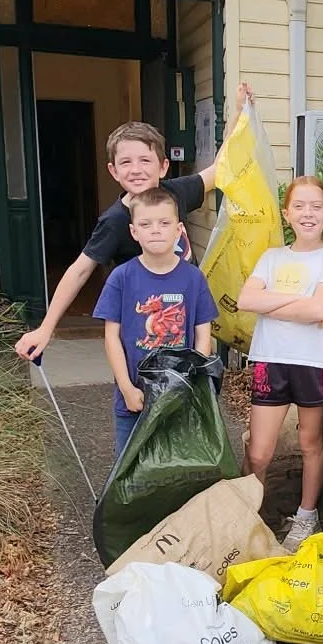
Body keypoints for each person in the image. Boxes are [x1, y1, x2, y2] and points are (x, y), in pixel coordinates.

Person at [14, 84, 252, 362]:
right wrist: (46, 328)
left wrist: (238, 113)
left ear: (162, 166)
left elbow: (220, 168)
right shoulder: (115, 220)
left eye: (145, 160)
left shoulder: (175, 193)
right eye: (126, 162)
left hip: (189, 317)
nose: (136, 169)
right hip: (148, 332)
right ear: (113, 171)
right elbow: (79, 271)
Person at [237, 177, 323, 551]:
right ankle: (248, 519)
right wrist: (300, 302)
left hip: (313, 362)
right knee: (259, 452)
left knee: (311, 443)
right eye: (299, 206)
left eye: (316, 206)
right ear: (287, 213)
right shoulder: (272, 257)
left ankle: (306, 517)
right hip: (271, 359)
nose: (307, 213)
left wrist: (273, 301)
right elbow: (246, 299)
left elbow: (320, 308)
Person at [93, 188, 217, 456]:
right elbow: (111, 337)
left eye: (164, 223)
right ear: (134, 231)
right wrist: (126, 388)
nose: (156, 230)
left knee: (174, 466)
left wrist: (188, 382)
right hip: (133, 397)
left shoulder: (194, 279)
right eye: (145, 224)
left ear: (178, 230)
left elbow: (203, 336)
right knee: (129, 467)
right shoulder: (121, 278)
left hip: (177, 395)